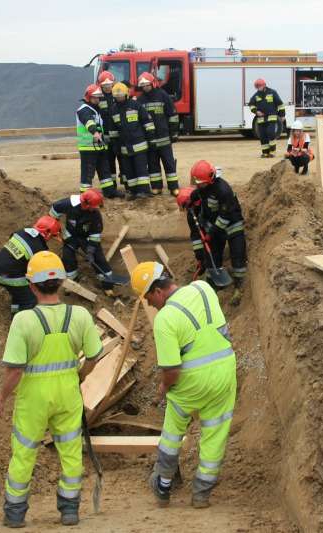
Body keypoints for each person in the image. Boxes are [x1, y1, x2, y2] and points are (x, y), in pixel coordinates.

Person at [0, 251, 103, 528]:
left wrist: (1, 397)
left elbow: (15, 369)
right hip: (68, 393)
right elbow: (93, 357)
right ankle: (69, 510)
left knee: (24, 452)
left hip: (34, 398)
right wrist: (79, 376)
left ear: (31, 285)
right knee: (70, 451)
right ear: (62, 283)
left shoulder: (24, 321)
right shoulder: (80, 315)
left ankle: (15, 513)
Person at [130, 261, 237, 509]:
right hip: (225, 371)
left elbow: (171, 369)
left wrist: (164, 388)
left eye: (148, 299)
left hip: (192, 382)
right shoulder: (203, 287)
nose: (150, 304)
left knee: (172, 431)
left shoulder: (165, 318)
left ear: (157, 291)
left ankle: (164, 485)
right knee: (215, 431)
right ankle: (201, 492)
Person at [189, 160, 247, 305]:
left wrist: (211, 233)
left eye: (199, 182)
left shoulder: (223, 190)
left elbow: (224, 217)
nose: (197, 184)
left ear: (208, 179)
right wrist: (191, 199)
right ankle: (213, 284)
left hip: (232, 224)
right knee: (212, 255)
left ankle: (239, 287)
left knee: (238, 255)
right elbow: (200, 194)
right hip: (216, 226)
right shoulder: (204, 187)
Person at [49, 189, 126, 295]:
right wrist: (58, 231)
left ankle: (108, 286)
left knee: (98, 259)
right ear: (86, 204)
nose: (96, 208)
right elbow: (53, 213)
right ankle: (72, 283)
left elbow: (95, 235)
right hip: (70, 236)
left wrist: (90, 252)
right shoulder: (67, 204)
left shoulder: (95, 214)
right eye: (94, 206)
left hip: (87, 238)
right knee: (68, 258)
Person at [0, 216, 62, 315]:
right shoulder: (39, 248)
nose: (51, 239)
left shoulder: (21, 232)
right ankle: (20, 322)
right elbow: (39, 271)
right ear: (47, 233)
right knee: (30, 299)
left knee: (19, 292)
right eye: (52, 236)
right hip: (8, 275)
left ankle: (15, 312)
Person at [108, 82, 155, 199]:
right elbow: (113, 130)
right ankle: (133, 192)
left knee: (141, 169)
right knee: (129, 171)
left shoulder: (135, 105)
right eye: (117, 96)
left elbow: (147, 122)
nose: (119, 98)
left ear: (126, 94)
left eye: (121, 95)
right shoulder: (113, 109)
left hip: (139, 144)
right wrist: (115, 146)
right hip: (124, 147)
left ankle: (144, 191)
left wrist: (151, 138)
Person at [137, 72, 180, 196]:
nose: (145, 87)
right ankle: (156, 187)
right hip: (149, 140)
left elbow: (172, 115)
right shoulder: (140, 100)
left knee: (169, 163)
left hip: (164, 137)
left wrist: (174, 133)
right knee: (153, 164)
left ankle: (173, 187)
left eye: (147, 85)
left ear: (152, 83)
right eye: (143, 85)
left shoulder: (163, 95)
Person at [76, 84, 119, 196]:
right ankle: (85, 196)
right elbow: (88, 122)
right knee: (88, 173)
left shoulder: (96, 109)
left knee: (104, 170)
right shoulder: (84, 110)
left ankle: (109, 192)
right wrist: (95, 132)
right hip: (88, 147)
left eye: (98, 97)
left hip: (99, 146)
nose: (97, 99)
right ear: (88, 97)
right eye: (95, 97)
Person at [98, 71, 125, 196]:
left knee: (123, 159)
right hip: (106, 136)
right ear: (101, 86)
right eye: (105, 85)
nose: (107, 87)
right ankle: (112, 186)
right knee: (109, 162)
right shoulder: (98, 98)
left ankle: (126, 183)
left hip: (120, 135)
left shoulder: (117, 95)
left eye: (109, 84)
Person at [248, 79, 285, 157]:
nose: (258, 88)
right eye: (257, 86)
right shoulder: (256, 95)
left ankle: (272, 152)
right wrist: (256, 111)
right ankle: (265, 153)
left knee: (271, 134)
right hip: (261, 120)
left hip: (271, 118)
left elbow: (280, 104)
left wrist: (282, 115)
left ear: (264, 85)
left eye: (259, 86)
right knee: (263, 136)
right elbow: (251, 105)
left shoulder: (272, 92)